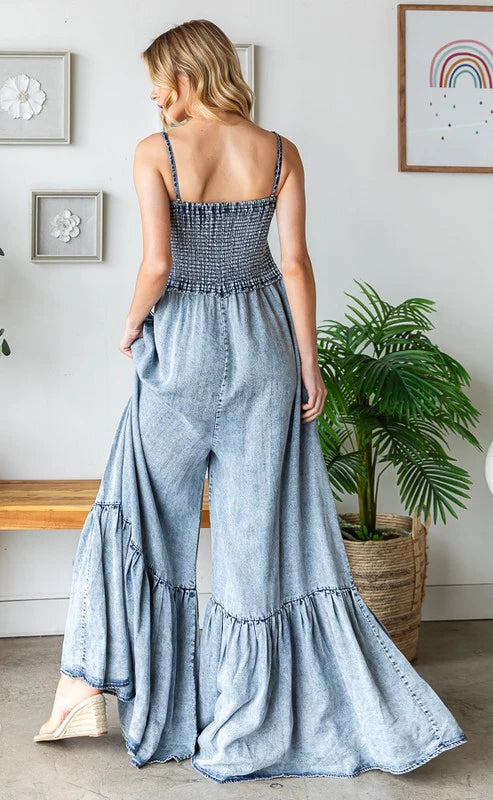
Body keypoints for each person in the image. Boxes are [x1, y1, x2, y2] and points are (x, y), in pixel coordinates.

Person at [34, 18, 467, 784]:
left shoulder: (156, 152)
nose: (154, 95)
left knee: (137, 508)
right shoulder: (279, 151)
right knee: (253, 537)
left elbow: (158, 264)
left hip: (183, 349)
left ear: (186, 75)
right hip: (265, 348)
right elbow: (293, 263)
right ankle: (243, 716)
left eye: (159, 80)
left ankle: (85, 684)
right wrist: (309, 362)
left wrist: (132, 323)